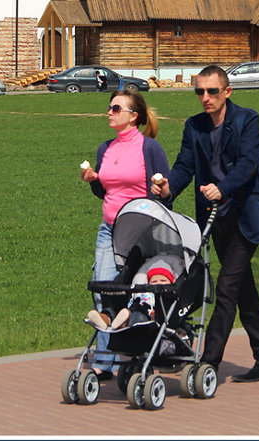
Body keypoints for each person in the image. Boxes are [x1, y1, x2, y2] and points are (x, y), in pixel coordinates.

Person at [153, 65, 259, 384]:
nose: (205, 98)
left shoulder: (247, 120)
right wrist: (169, 187)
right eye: (200, 92)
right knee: (243, 289)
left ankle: (207, 362)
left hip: (245, 218)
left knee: (225, 289)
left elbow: (250, 163)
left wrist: (223, 188)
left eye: (211, 91)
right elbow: (184, 165)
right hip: (214, 219)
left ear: (227, 92)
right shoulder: (194, 126)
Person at [80, 89, 170, 379]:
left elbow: (165, 196)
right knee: (103, 291)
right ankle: (104, 361)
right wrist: (93, 180)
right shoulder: (105, 148)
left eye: (116, 108)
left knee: (139, 294)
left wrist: (161, 190)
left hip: (142, 232)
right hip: (109, 230)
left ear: (134, 117)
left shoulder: (149, 149)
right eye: (109, 108)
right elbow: (104, 192)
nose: (109, 112)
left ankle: (140, 354)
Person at [86, 262, 174, 330]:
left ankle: (123, 322)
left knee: (138, 316)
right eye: (154, 282)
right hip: (133, 308)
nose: (158, 283)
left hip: (147, 315)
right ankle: (104, 318)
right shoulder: (144, 291)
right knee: (117, 310)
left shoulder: (168, 296)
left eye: (163, 280)